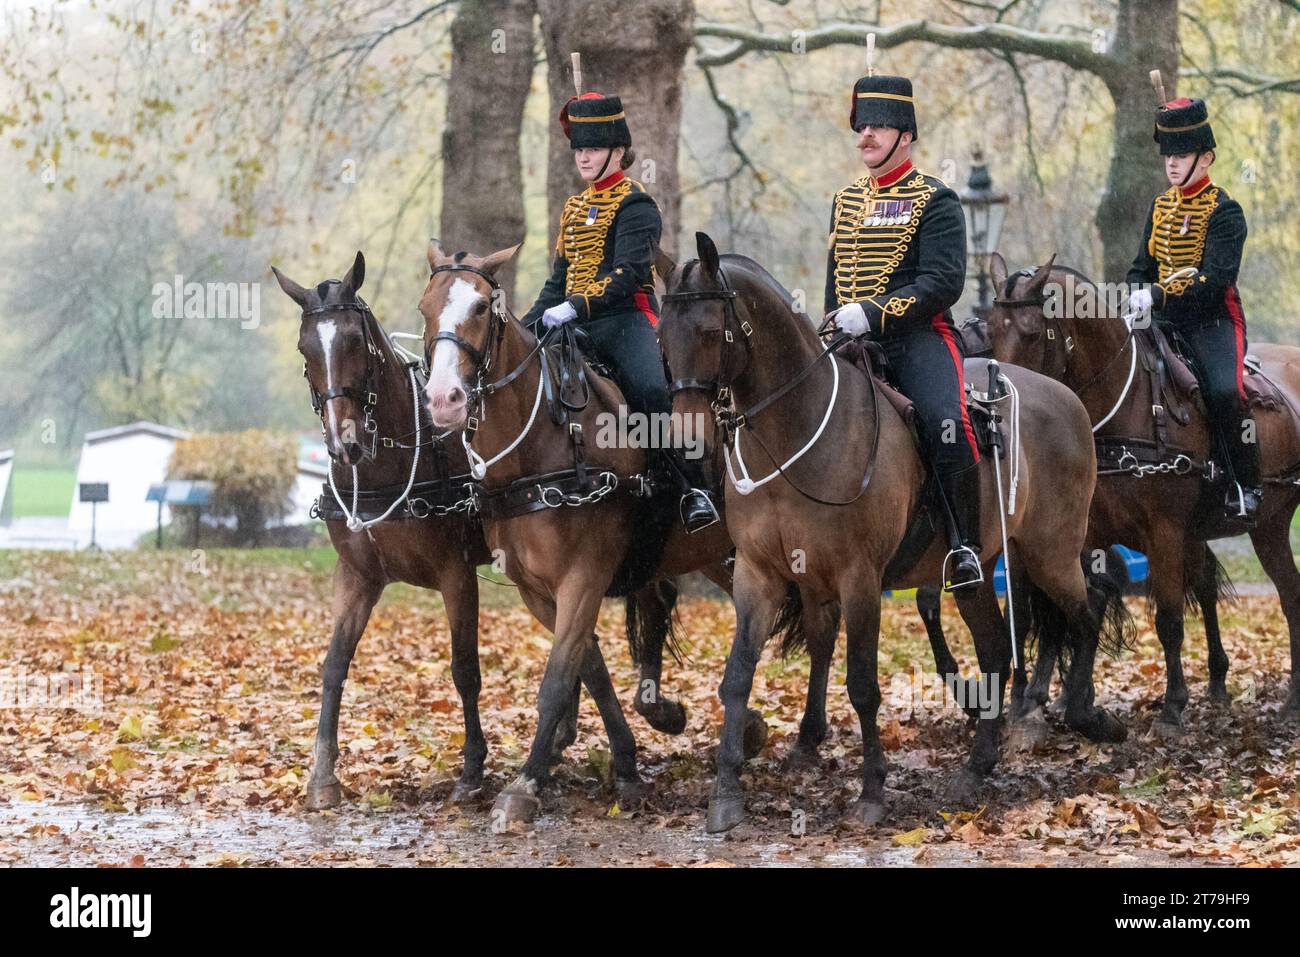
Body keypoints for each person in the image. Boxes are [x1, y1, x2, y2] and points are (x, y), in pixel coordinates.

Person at [521, 91, 718, 533]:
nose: (583, 157)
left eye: (591, 148)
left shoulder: (636, 204)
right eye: (579, 149)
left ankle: (692, 488)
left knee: (650, 392)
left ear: (616, 151)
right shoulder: (573, 209)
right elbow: (558, 281)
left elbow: (629, 274)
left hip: (625, 319)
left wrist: (577, 305)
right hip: (569, 322)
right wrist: (527, 324)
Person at [824, 73, 981, 592]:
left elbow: (942, 284)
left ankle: (964, 545)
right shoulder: (844, 201)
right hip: (848, 340)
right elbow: (835, 283)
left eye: (879, 126)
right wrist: (831, 328)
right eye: (861, 126)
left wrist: (873, 313)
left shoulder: (936, 200)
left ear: (905, 135)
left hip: (917, 337)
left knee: (945, 423)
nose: (865, 136)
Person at [1126, 94, 1259, 524]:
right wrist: (1136, 294)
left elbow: (1213, 281)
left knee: (1224, 391)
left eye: (1180, 154)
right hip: (1161, 322)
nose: (1171, 163)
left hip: (1212, 320)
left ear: (1207, 158)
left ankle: (1245, 482)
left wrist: (1160, 296)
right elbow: (1140, 267)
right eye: (1167, 154)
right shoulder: (1160, 206)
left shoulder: (1225, 210)